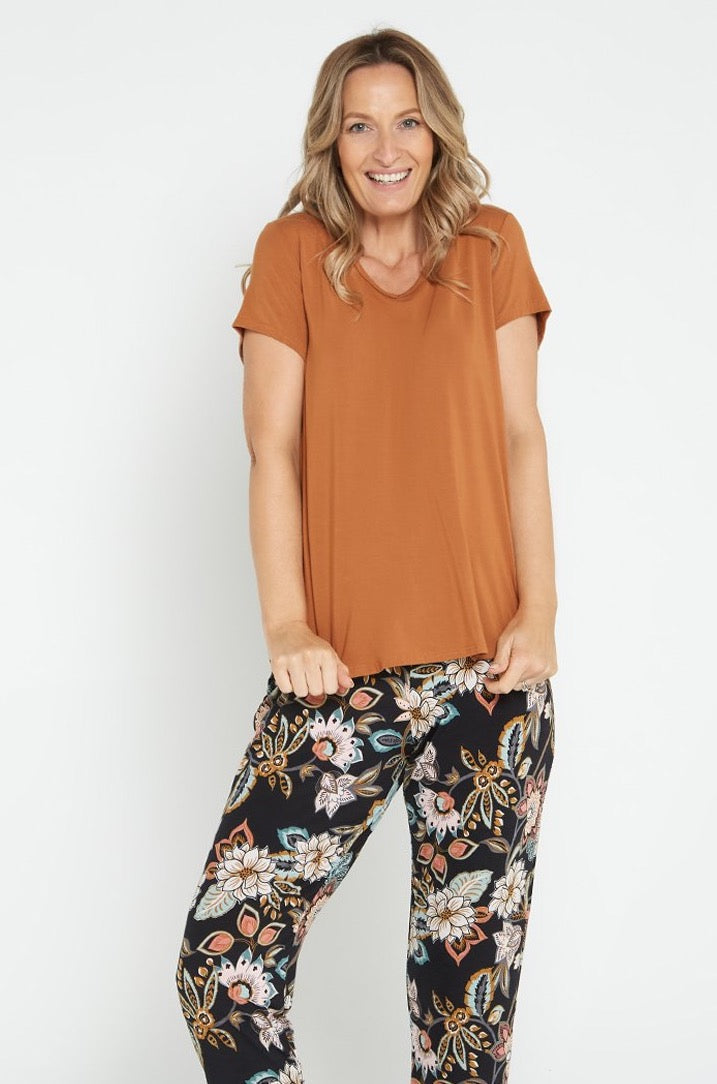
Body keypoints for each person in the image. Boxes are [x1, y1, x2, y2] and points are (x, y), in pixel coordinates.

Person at [176, 26, 558, 1084]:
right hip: (336, 679)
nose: (385, 148)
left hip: (491, 683)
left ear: (436, 134)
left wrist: (540, 613)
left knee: (461, 1025)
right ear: (330, 141)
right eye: (359, 126)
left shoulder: (491, 247)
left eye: (406, 122)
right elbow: (273, 450)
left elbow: (521, 438)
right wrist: (287, 625)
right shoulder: (293, 253)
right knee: (223, 966)